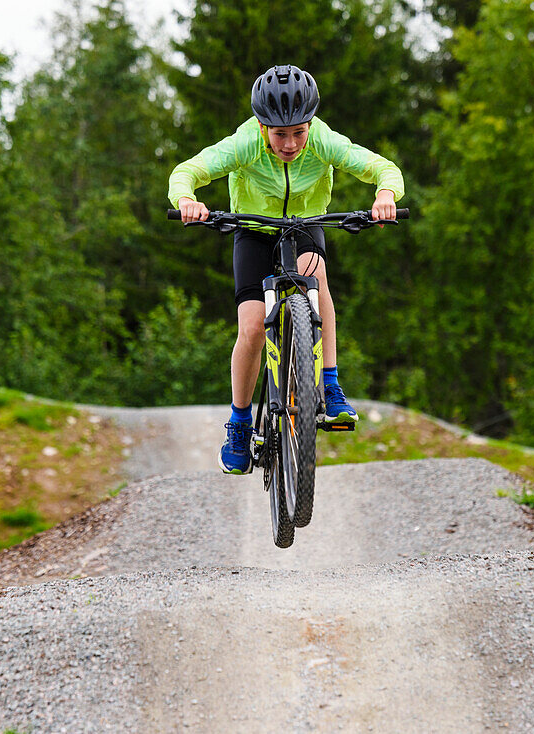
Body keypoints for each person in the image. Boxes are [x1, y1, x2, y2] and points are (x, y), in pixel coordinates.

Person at [168, 64, 404, 475]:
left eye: (300, 131)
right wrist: (188, 200)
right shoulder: (244, 144)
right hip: (253, 231)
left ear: (311, 123)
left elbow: (384, 169)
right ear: (262, 127)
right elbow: (186, 172)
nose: (291, 143)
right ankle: (240, 423)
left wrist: (385, 194)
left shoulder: (324, 140)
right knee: (253, 327)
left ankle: (329, 385)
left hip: (306, 225)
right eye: (280, 134)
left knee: (317, 276)